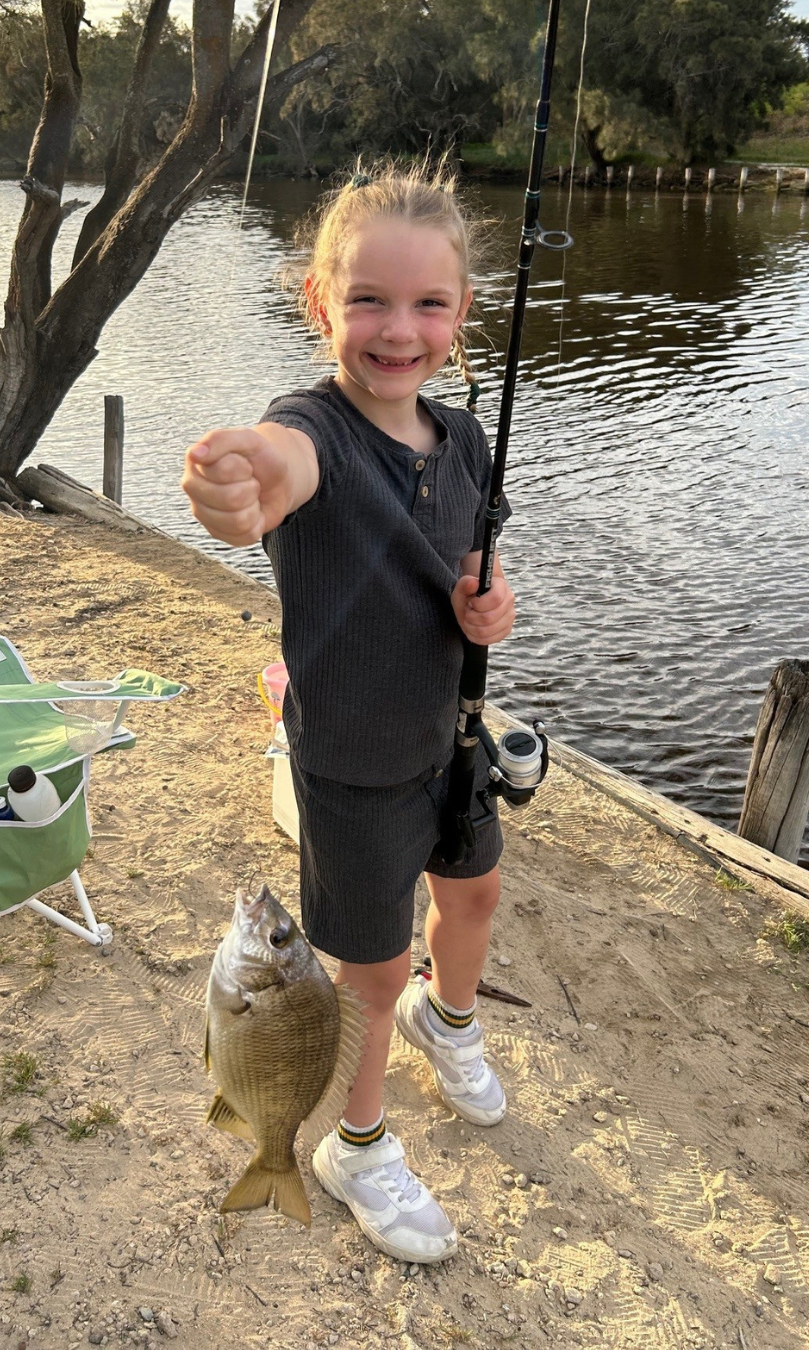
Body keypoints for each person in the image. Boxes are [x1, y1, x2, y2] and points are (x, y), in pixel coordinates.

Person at [181, 160, 516, 1265]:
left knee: (473, 896)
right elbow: (276, 468)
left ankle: (450, 1019)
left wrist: (488, 605)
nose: (398, 330)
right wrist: (241, 480)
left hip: (451, 737)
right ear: (318, 302)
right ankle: (356, 1147)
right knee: (365, 978)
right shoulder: (308, 427)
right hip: (353, 765)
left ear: (464, 314)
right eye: (367, 300)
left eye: (429, 304)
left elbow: (470, 560)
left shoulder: (465, 438)